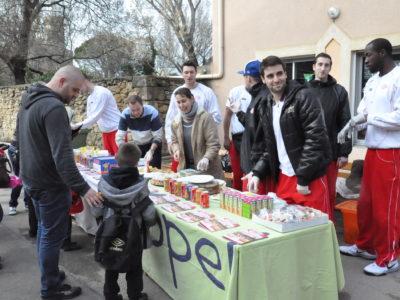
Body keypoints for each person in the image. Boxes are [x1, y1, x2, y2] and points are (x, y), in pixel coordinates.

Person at [18, 65, 103, 299]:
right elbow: (63, 159)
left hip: (32, 179)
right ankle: (51, 289)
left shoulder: (29, 98)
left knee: (45, 234)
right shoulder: (54, 107)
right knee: (50, 237)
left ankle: (51, 275)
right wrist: (84, 189)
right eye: (74, 90)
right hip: (50, 184)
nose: (76, 96)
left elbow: (28, 139)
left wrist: (66, 133)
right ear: (62, 80)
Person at [338, 38, 400, 276]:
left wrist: (370, 119)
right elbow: (363, 112)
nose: (366, 61)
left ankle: (390, 257)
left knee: (387, 208)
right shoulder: (373, 82)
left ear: (383, 53)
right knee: (367, 204)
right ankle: (366, 246)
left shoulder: (398, 78)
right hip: (373, 151)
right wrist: (350, 125)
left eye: (369, 55)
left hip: (391, 153)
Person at [248, 56, 332, 218]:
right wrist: (257, 172)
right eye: (270, 76)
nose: (276, 79)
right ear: (263, 80)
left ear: (286, 74)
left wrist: (303, 178)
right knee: (287, 233)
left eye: (279, 74)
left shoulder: (304, 96)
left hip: (309, 179)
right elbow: (269, 145)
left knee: (315, 231)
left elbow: (316, 138)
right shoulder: (266, 104)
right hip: (283, 178)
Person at [93, 142, 156, 300]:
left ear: (115, 159)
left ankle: (110, 294)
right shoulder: (141, 185)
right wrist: (150, 223)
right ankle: (135, 295)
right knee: (135, 267)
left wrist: (101, 219)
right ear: (137, 162)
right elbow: (149, 214)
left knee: (110, 264)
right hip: (134, 234)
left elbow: (96, 208)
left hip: (109, 232)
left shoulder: (104, 182)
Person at [307, 53, 352, 219]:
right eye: (320, 64)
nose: (322, 68)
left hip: (331, 152)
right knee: (309, 193)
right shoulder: (304, 90)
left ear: (330, 68)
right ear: (314, 66)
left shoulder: (339, 91)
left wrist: (344, 152)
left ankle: (329, 228)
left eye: (326, 65)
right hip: (308, 153)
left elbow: (345, 122)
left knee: (329, 193)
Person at [165, 60, 222, 172]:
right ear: (182, 74)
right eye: (186, 72)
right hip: (183, 141)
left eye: (191, 72)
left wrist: (202, 129)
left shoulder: (207, 92)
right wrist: (169, 141)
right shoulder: (176, 93)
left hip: (203, 144)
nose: (189, 75)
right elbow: (170, 119)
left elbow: (217, 116)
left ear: (196, 73)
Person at [228, 60, 273, 193]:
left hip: (257, 168)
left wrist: (256, 169)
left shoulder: (263, 98)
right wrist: (238, 112)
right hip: (256, 166)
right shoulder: (259, 96)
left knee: (256, 207)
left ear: (248, 78)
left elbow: (263, 134)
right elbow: (253, 124)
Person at [171, 87, 224, 179]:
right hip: (186, 171)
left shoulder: (205, 118)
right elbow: (174, 140)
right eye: (178, 102)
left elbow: (213, 144)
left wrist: (206, 158)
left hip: (207, 171)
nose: (181, 105)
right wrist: (176, 150)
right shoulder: (176, 121)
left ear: (192, 99)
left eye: (184, 101)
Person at [71, 75, 121, 155]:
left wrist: (75, 126)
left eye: (79, 85)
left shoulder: (101, 92)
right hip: (106, 132)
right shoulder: (90, 97)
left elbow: (94, 117)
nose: (79, 89)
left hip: (116, 130)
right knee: (109, 161)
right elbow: (90, 117)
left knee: (121, 160)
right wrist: (76, 127)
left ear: (85, 81)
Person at [223, 62, 253, 190]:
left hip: (253, 138)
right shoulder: (236, 91)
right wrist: (225, 137)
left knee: (249, 173)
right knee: (237, 174)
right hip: (237, 137)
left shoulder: (263, 93)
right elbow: (228, 115)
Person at [116, 95, 163, 169]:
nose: (136, 113)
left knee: (154, 170)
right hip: (138, 145)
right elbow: (119, 137)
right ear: (129, 107)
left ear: (142, 105)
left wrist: (151, 151)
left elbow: (158, 136)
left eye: (138, 109)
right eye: (133, 110)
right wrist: (125, 151)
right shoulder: (125, 114)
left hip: (153, 144)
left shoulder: (152, 112)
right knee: (138, 171)